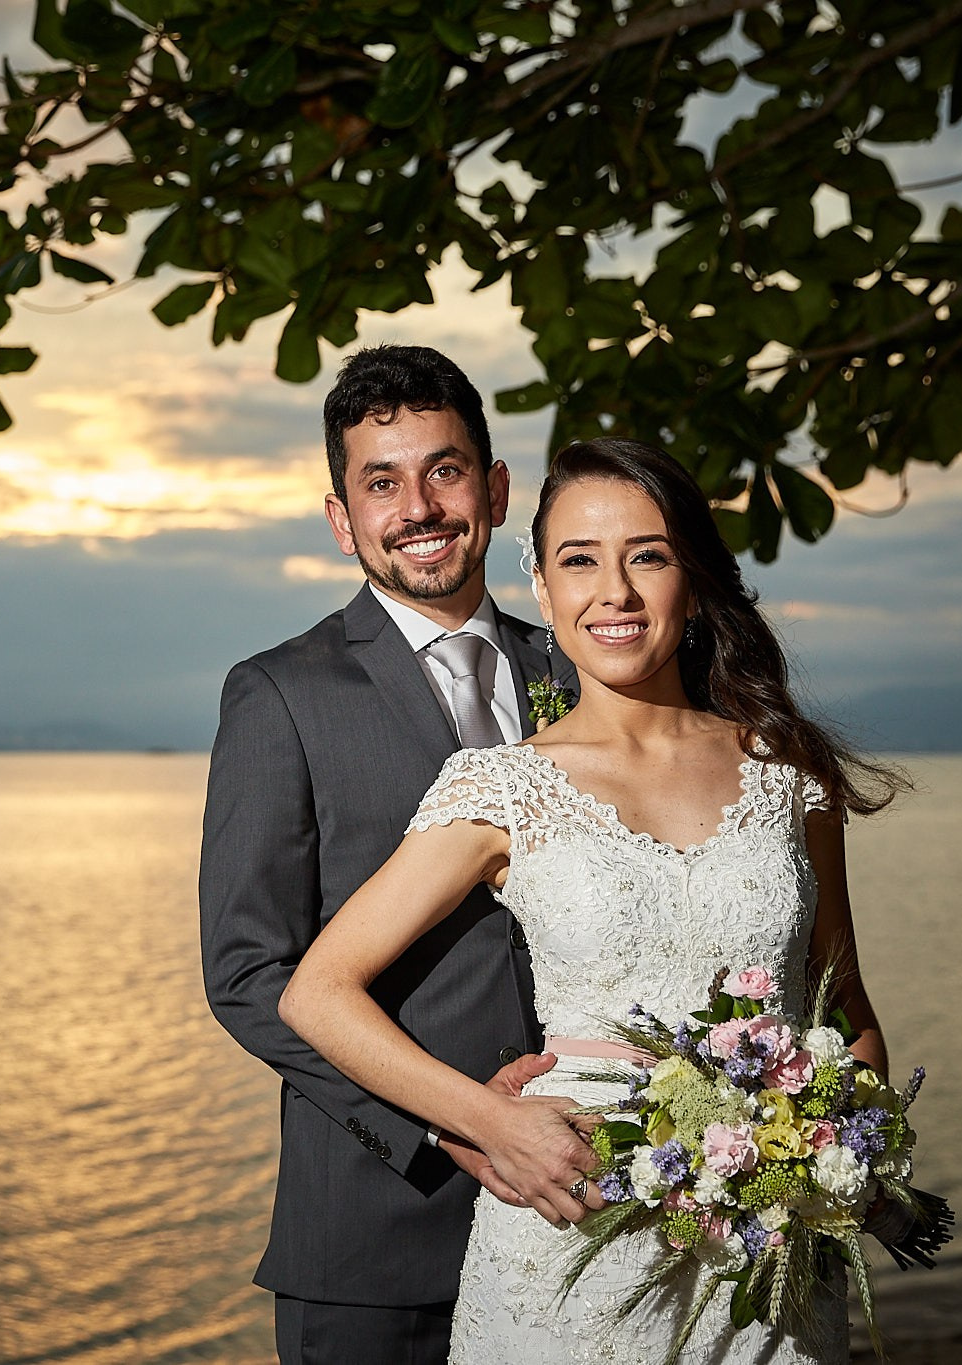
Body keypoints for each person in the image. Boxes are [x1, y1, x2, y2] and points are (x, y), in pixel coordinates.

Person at [279, 437, 907, 1363]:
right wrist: (488, 1121)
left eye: (646, 556)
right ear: (539, 582)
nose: (613, 591)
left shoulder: (785, 770)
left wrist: (843, 1162)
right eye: (580, 560)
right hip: (576, 1230)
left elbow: (841, 1004)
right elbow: (316, 991)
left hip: (767, 1254)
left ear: (691, 579)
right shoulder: (500, 786)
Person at [200, 345, 596, 1363]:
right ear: (341, 519)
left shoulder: (583, 670)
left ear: (496, 490)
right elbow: (249, 976)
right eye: (380, 482)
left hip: (591, 1207)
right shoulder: (278, 695)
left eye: (444, 469)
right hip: (379, 1236)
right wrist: (451, 1128)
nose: (416, 505)